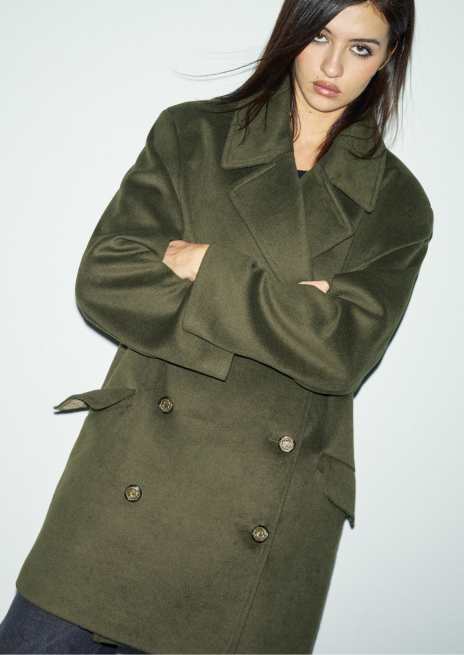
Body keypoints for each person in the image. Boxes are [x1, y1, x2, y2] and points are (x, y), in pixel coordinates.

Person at [0, 0, 434, 653]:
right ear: (291, 33)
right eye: (319, 36)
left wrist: (205, 263)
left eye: (361, 48)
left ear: (388, 57)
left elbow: (341, 352)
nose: (332, 66)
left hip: (266, 531)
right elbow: (106, 280)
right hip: (128, 488)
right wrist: (294, 312)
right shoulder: (193, 135)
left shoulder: (398, 204)